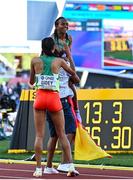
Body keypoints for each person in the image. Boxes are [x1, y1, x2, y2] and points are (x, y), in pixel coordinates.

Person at [29, 37, 79, 177]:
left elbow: (32, 81)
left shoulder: (34, 61)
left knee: (39, 136)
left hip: (39, 98)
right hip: (53, 98)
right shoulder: (59, 61)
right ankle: (70, 167)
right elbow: (73, 73)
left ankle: (39, 169)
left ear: (42, 48)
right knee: (62, 133)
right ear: (53, 48)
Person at [43, 17, 81, 174]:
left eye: (67, 24)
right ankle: (66, 163)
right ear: (56, 26)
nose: (66, 26)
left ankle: (48, 166)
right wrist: (67, 58)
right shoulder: (51, 41)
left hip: (49, 95)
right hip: (60, 84)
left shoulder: (69, 38)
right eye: (63, 24)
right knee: (68, 129)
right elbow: (75, 77)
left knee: (54, 134)